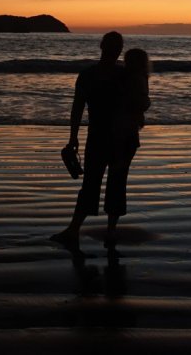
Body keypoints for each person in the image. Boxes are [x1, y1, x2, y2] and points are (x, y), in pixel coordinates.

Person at [51, 31, 126, 249]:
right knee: (113, 182)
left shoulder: (90, 74)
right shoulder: (121, 75)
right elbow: (137, 105)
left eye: (116, 46)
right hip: (115, 137)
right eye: (115, 46)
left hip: (104, 136)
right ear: (107, 47)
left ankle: (76, 229)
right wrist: (73, 136)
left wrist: (73, 136)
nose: (115, 50)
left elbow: (77, 108)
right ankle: (107, 231)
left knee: (95, 183)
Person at [104, 47, 151, 248]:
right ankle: (111, 225)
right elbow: (140, 104)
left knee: (115, 176)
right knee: (118, 177)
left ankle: (111, 224)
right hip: (127, 132)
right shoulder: (137, 79)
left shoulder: (121, 77)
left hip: (115, 130)